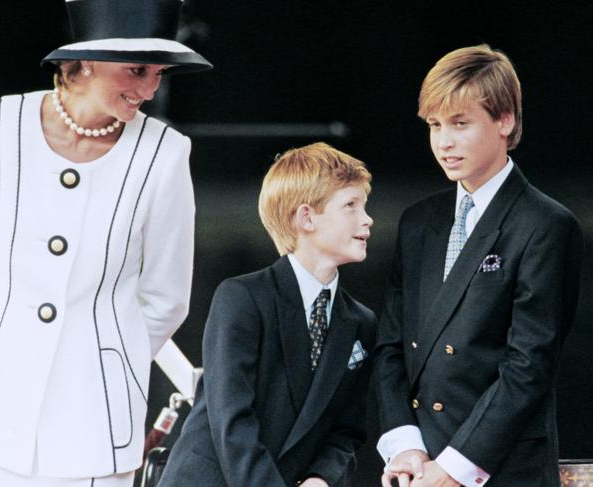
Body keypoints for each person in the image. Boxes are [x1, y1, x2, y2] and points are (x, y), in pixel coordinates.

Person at [0, 0, 212, 485]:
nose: (150, 89)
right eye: (137, 70)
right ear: (86, 60)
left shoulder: (166, 153)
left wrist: (105, 357)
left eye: (159, 73)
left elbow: (167, 297)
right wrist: (2, 341)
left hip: (95, 421)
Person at [375, 44, 583, 487]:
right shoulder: (417, 222)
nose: (443, 142)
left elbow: (528, 367)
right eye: (434, 125)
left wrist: (453, 468)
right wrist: (405, 446)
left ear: (505, 120)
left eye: (460, 123)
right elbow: (391, 346)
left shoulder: (546, 225)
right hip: (419, 467)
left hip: (500, 470)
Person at [158, 142, 377, 486]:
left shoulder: (361, 322)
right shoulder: (243, 298)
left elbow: (346, 430)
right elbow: (232, 419)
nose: (367, 219)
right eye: (351, 205)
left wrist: (322, 478)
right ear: (306, 217)